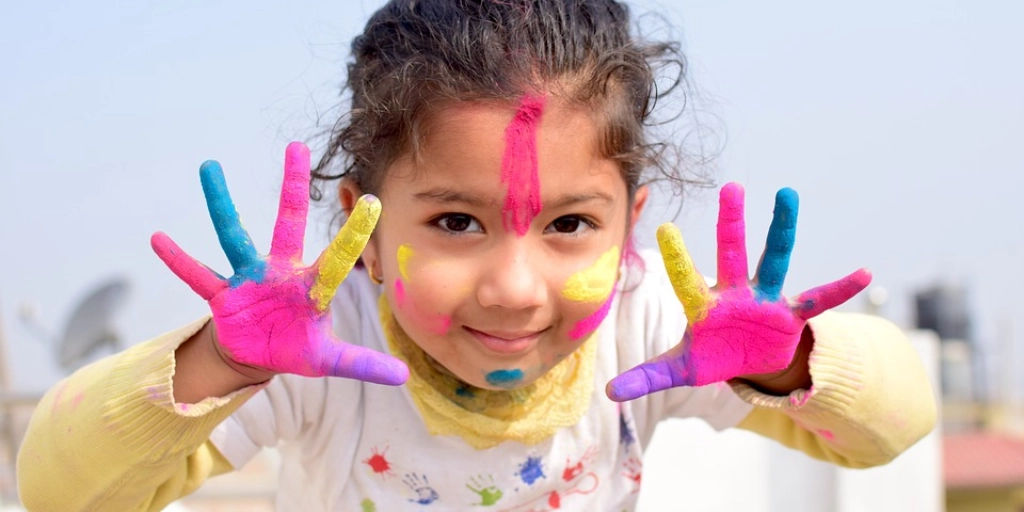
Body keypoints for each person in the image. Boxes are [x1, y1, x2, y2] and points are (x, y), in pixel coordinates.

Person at [16, 0, 936, 510]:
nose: (514, 287)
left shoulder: (654, 323)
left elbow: (895, 426)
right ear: (364, 230)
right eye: (456, 222)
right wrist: (219, 363)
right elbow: (58, 490)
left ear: (630, 224)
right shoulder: (314, 347)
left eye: (570, 225)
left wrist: (788, 365)